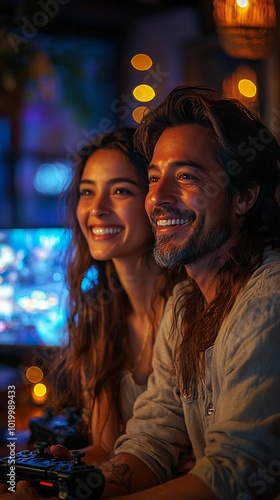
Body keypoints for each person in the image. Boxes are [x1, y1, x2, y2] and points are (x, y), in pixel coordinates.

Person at [1, 87, 279, 499]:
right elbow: (152, 440)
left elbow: (233, 474)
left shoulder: (266, 300)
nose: (159, 198)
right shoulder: (186, 305)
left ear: (244, 196)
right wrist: (79, 489)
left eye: (185, 176)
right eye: (153, 178)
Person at [41, 127, 184, 463]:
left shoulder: (190, 305)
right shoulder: (97, 315)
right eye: (87, 192)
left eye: (120, 190)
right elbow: (107, 448)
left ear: (154, 202)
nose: (98, 209)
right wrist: (49, 470)